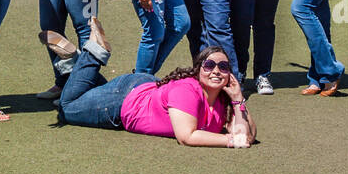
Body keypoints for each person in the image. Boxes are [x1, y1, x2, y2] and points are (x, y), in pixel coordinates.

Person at [44, 18, 255, 147]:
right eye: (209, 66)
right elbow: (186, 136)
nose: (216, 71)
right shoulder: (188, 91)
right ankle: (92, 56)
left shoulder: (223, 102)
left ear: (230, 74)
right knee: (67, 108)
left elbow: (247, 135)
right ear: (198, 70)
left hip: (143, 88)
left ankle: (73, 61)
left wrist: (238, 100)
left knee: (89, 92)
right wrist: (230, 141)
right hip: (123, 101)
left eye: (224, 67)